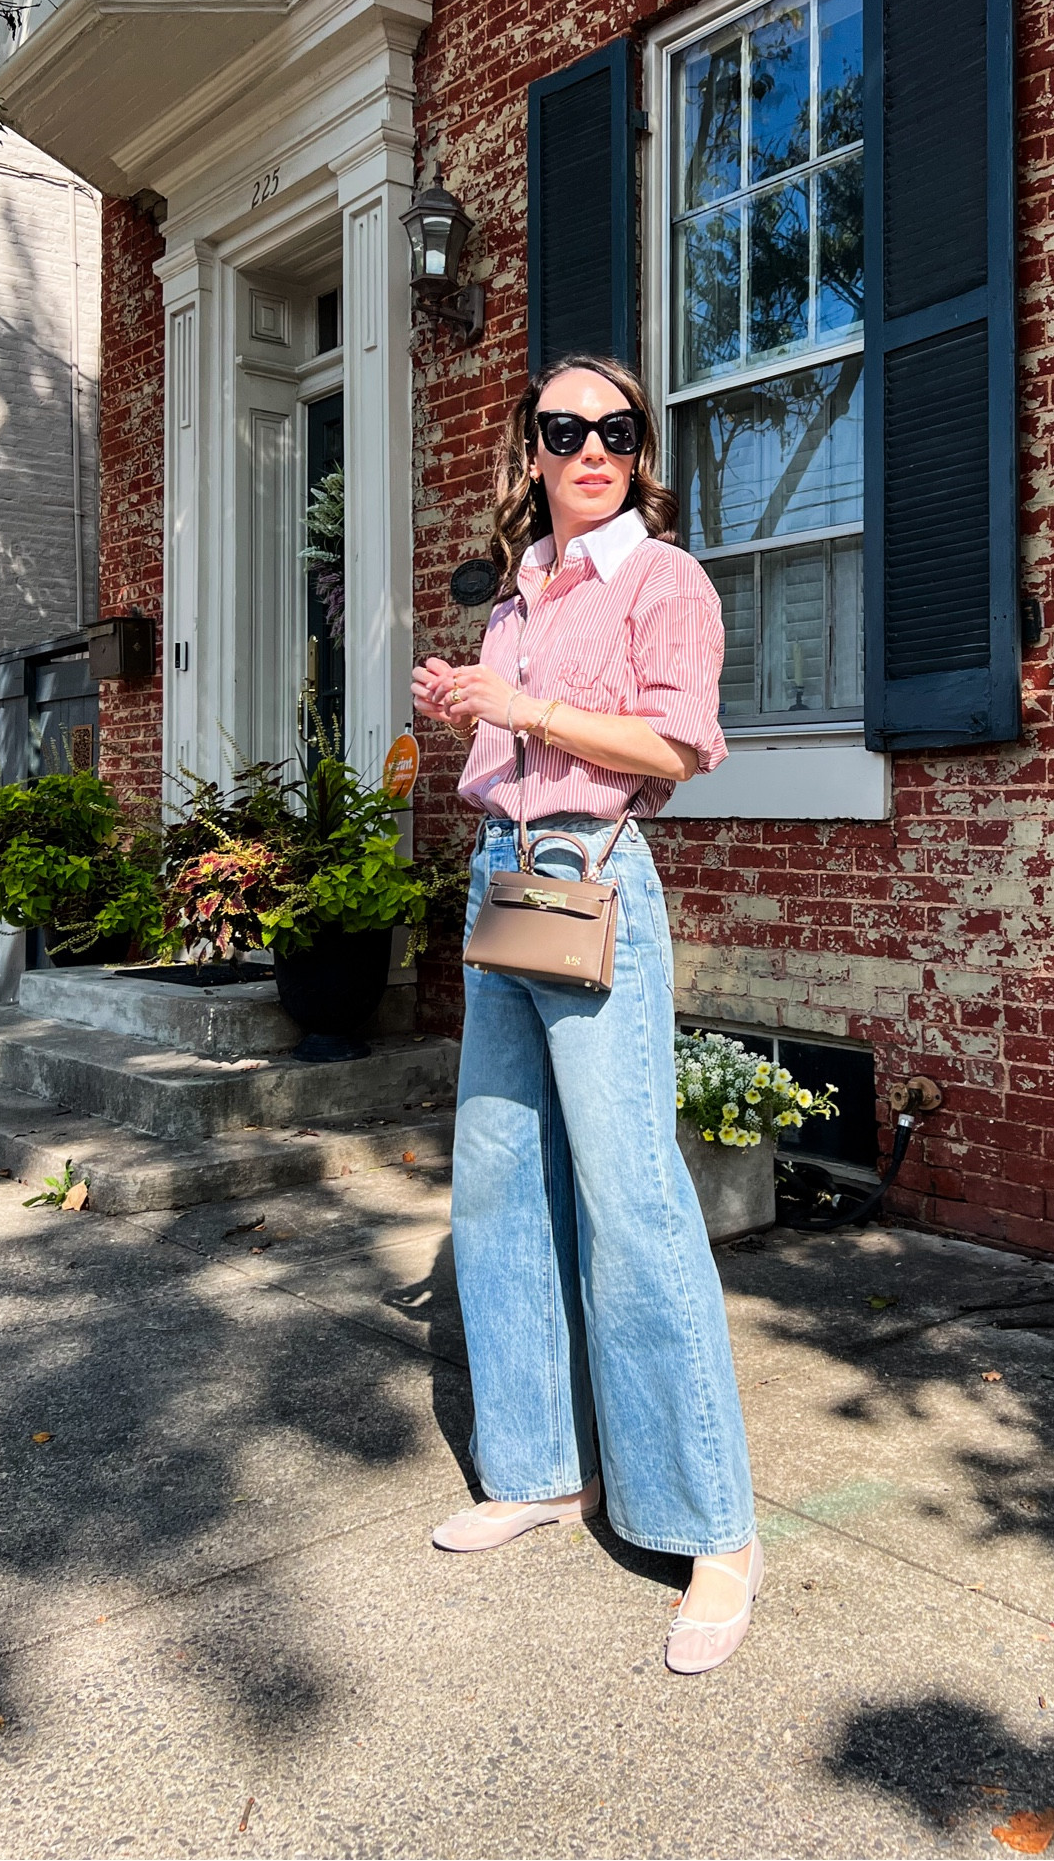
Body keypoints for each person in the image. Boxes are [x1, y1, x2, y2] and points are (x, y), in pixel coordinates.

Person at [411, 353, 762, 1675]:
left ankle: (712, 1526)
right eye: (566, 429)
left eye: (616, 429)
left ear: (639, 450)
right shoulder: (520, 590)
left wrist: (530, 708)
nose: (592, 447)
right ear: (532, 449)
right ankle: (541, 1469)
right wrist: (472, 711)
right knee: (498, 1178)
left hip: (591, 881)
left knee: (630, 1194)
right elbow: (520, 742)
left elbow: (672, 744)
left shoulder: (661, 581)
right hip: (500, 882)